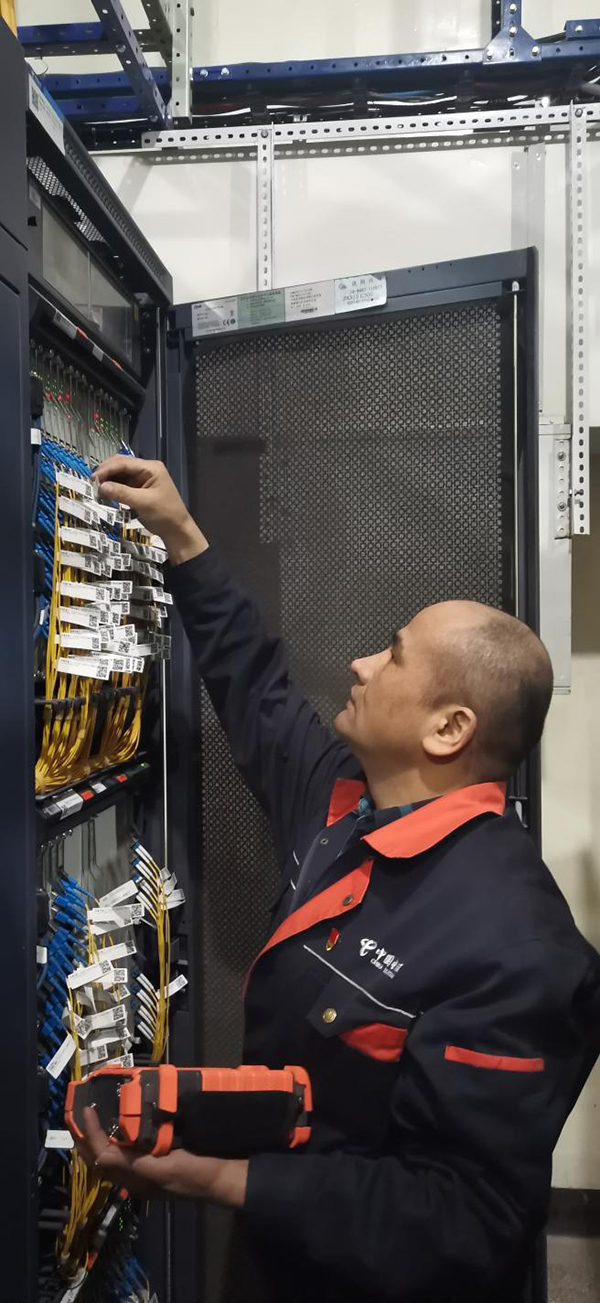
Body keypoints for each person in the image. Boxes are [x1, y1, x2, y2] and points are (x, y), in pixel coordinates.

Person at [78, 455, 600, 1303]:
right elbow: (259, 690)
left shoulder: (518, 950)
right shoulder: (345, 805)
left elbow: (465, 1220)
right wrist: (181, 535)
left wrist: (215, 1178)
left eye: (392, 655)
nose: (359, 663)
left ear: (449, 728)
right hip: (272, 1254)